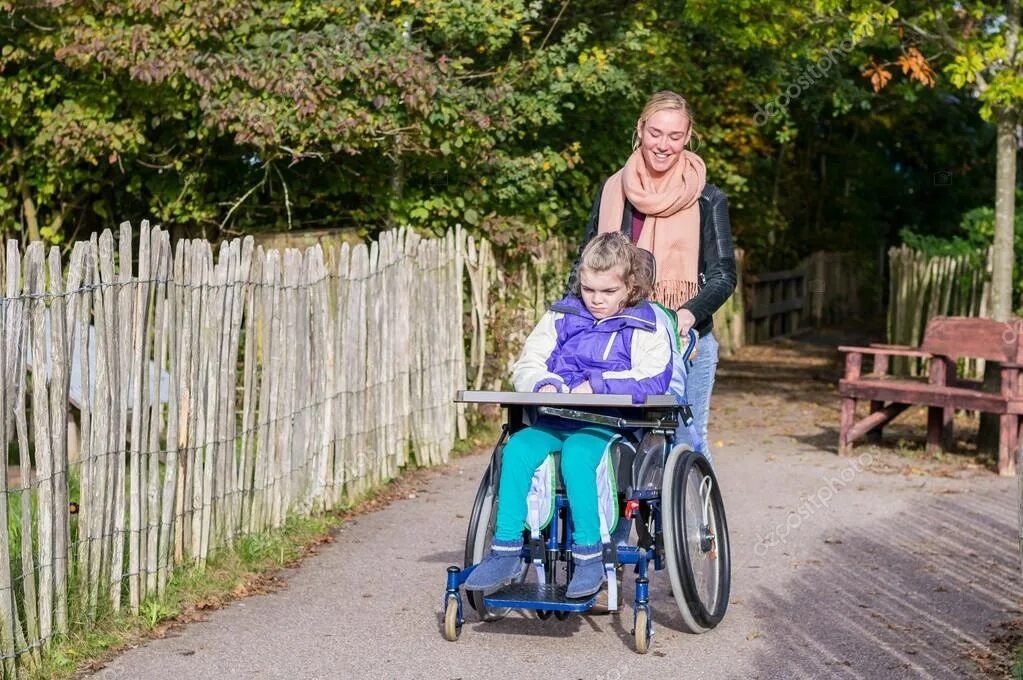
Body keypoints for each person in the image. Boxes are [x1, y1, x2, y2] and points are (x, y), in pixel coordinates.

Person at [464, 232, 673, 598]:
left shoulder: (647, 322)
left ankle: (590, 556)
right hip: (556, 416)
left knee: (578, 455)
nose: (596, 299)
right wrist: (542, 383)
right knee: (516, 450)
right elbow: (528, 362)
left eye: (608, 292)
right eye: (589, 289)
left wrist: (596, 385)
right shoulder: (562, 314)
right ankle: (506, 550)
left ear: (630, 285)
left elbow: (654, 376)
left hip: (609, 424)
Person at [580, 90, 737, 459]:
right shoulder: (612, 191)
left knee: (686, 441)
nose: (663, 145)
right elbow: (586, 261)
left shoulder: (707, 199)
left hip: (685, 342)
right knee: (612, 442)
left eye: (674, 136)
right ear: (640, 129)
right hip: (617, 341)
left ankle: (699, 517)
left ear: (688, 137)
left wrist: (686, 313)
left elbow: (724, 274)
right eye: (655, 133)